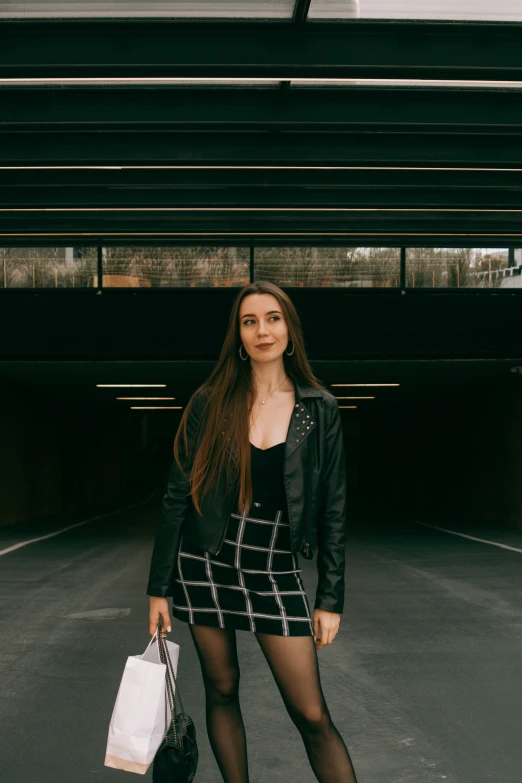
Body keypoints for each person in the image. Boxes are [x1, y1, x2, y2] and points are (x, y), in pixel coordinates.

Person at [147, 280, 358, 782]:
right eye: (250, 321)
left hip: (273, 568)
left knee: (311, 714)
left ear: (289, 329)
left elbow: (333, 508)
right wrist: (158, 588)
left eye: (272, 318)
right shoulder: (211, 401)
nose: (262, 330)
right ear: (238, 335)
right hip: (205, 563)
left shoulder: (318, 408)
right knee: (221, 691)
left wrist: (331, 598)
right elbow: (178, 493)